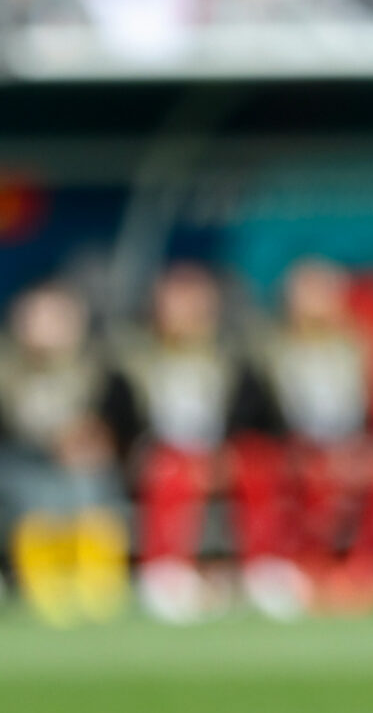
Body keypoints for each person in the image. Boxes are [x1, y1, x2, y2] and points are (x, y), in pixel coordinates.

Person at [236, 257, 373, 619]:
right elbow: (256, 417)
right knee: (298, 475)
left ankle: (365, 573)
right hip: (296, 452)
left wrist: (368, 447)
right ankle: (304, 569)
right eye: (304, 296)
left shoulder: (366, 347)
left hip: (353, 447)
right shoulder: (269, 351)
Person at [102, 262, 265, 624]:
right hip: (159, 454)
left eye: (195, 302)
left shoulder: (231, 358)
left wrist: (225, 453)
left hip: (219, 453)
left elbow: (251, 415)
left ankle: (262, 570)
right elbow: (120, 418)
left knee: (259, 468)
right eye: (177, 302)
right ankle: (166, 573)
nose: (186, 312)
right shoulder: (133, 356)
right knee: (169, 472)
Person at [0, 279, 127, 626]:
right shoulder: (8, 367)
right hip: (21, 462)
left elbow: (116, 419)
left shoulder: (97, 367)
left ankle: (97, 586)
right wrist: (51, 442)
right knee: (37, 494)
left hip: (80, 464)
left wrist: (94, 439)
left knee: (91, 488)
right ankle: (46, 587)